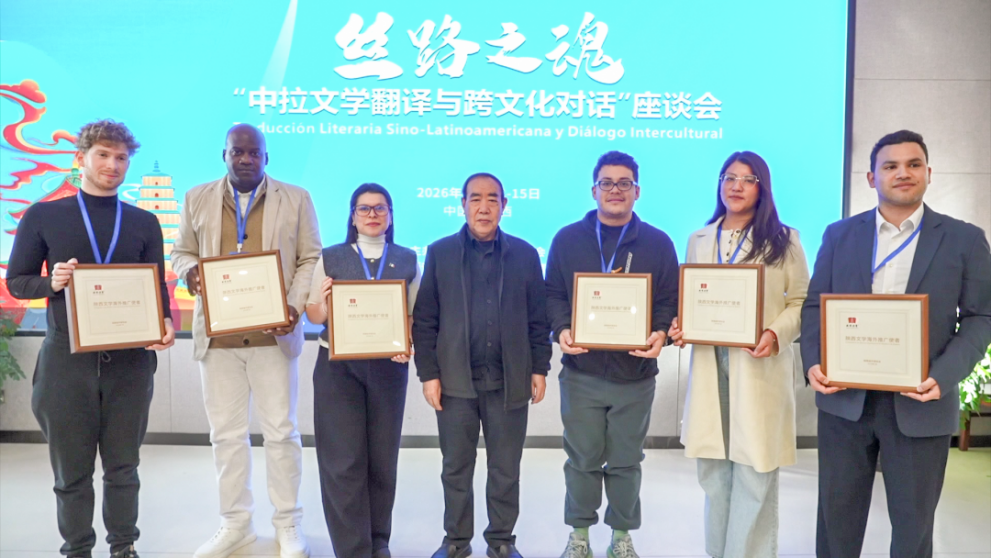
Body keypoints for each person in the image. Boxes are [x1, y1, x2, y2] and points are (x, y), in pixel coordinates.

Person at [800, 130, 991, 558]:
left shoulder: (964, 238)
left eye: (913, 164)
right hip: (844, 401)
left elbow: (981, 316)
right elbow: (814, 306)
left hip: (921, 403)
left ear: (928, 173)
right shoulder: (839, 235)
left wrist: (943, 376)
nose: (903, 173)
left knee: (913, 529)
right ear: (872, 178)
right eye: (890, 166)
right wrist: (813, 362)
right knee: (836, 524)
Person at [6, 119, 175, 558]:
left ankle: (124, 546)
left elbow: (156, 286)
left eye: (121, 157)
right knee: (71, 474)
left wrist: (164, 322)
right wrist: (52, 283)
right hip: (66, 364)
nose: (112, 165)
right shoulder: (44, 216)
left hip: (130, 365)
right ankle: (77, 549)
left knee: (124, 468)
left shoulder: (144, 222)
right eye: (103, 155)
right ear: (80, 158)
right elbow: (17, 281)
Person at [171, 124, 321, 558]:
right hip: (219, 341)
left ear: (266, 158)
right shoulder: (196, 197)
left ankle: (288, 522)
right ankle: (235, 524)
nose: (245, 159)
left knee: (282, 433)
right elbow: (181, 251)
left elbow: (311, 257)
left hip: (274, 338)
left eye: (254, 152)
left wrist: (293, 306)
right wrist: (189, 272)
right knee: (226, 437)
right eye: (237, 152)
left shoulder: (296, 198)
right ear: (224, 155)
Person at [668, 151, 810, 558]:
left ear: (762, 189)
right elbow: (693, 298)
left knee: (755, 471)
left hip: (758, 364)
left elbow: (801, 300)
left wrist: (774, 333)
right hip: (711, 363)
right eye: (729, 177)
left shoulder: (784, 239)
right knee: (713, 473)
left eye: (748, 179)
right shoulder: (699, 239)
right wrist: (681, 324)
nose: (736, 186)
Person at [545, 151, 679, 558]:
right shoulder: (567, 239)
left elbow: (669, 300)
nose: (615, 190)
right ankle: (580, 536)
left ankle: (621, 536)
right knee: (581, 459)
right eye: (607, 182)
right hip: (581, 372)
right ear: (594, 190)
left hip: (635, 374)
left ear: (637, 191)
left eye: (624, 183)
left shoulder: (658, 243)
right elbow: (553, 294)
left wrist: (660, 334)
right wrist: (562, 329)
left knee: (625, 461)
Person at [412, 172, 552, 558]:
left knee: (505, 469)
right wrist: (429, 374)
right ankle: (456, 541)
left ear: (505, 206)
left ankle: (502, 540)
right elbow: (426, 321)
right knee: (456, 467)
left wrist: (539, 368)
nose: (484, 207)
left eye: (493, 199)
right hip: (455, 382)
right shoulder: (440, 253)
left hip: (509, 381)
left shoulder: (525, 254)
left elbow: (538, 319)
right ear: (462, 205)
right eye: (475, 198)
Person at [304, 183, 420, 558]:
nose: (372, 215)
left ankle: (378, 540)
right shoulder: (331, 257)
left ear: (390, 216)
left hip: (388, 368)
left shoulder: (407, 259)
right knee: (343, 461)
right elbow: (314, 314)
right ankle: (353, 548)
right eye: (364, 208)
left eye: (380, 208)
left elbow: (412, 314)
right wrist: (323, 304)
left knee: (382, 459)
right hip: (338, 368)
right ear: (352, 217)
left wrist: (406, 342)